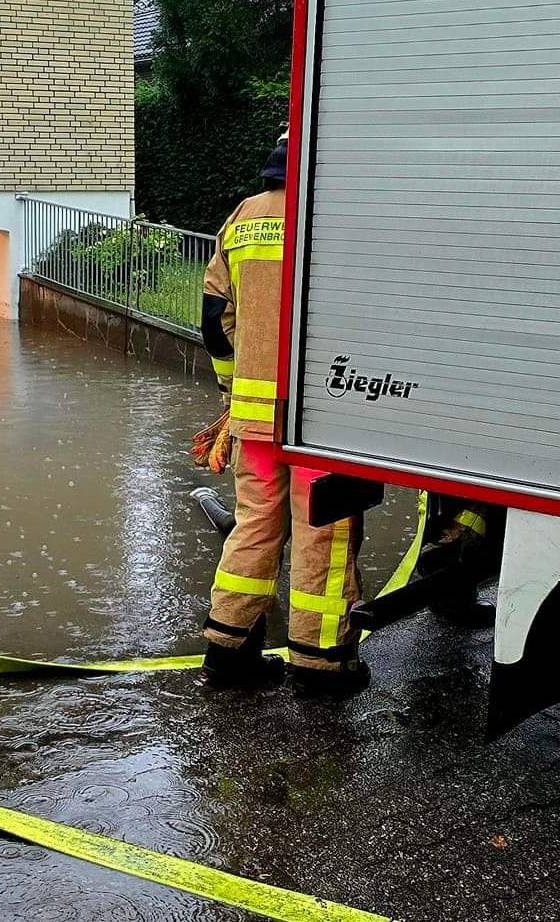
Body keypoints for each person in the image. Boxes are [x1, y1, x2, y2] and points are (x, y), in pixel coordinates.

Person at [195, 132, 370, 696]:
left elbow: (214, 319)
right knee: (324, 531)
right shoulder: (337, 214)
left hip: (256, 421)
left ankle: (226, 653)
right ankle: (318, 668)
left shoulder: (242, 218)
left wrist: (233, 394)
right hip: (325, 420)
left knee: (254, 526)